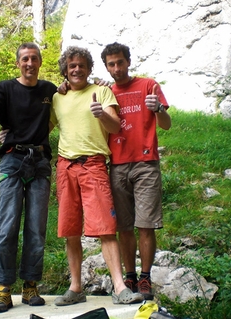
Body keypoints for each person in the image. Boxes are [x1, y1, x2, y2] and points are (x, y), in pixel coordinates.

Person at [50, 46, 144, 306]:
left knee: (105, 228)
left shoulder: (102, 91)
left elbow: (115, 127)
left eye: (81, 65)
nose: (76, 69)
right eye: (71, 66)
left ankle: (120, 287)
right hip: (65, 167)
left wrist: (101, 114)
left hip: (94, 166)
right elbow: (39, 127)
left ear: (90, 69)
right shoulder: (57, 98)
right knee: (70, 230)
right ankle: (76, 287)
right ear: (65, 71)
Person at [0, 42, 57, 314]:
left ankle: (30, 285)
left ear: (40, 62)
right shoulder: (5, 89)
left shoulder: (49, 90)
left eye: (34, 58)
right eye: (25, 59)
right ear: (18, 63)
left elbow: (67, 107)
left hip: (41, 162)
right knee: (7, 226)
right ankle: (3, 289)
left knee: (36, 227)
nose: (30, 63)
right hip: (12, 160)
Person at [100, 42, 172, 300]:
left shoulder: (148, 85)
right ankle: (129, 276)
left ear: (128, 61)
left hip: (145, 163)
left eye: (120, 62)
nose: (117, 68)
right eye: (111, 64)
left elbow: (166, 125)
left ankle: (145, 277)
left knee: (146, 225)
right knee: (125, 226)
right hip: (117, 164)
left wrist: (158, 109)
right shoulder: (105, 91)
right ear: (106, 67)